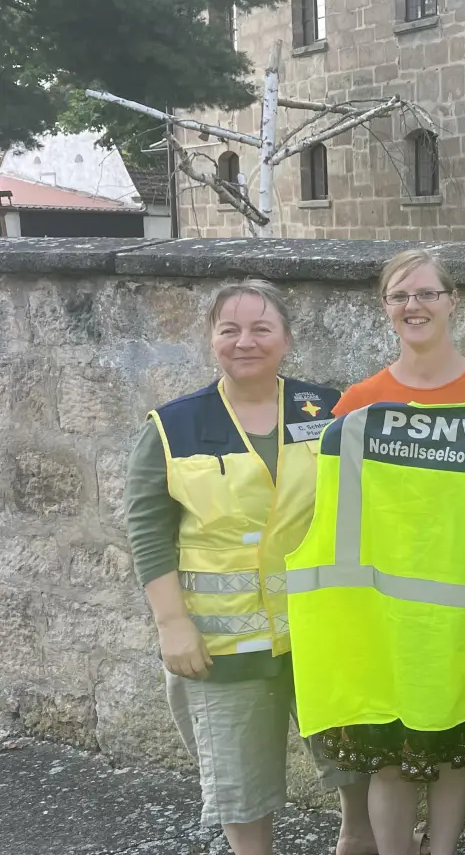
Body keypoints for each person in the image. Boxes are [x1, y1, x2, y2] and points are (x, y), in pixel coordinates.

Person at [294, 250, 465, 855]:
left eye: (427, 294)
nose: (414, 306)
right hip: (380, 617)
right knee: (387, 758)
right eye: (400, 296)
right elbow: (327, 512)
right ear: (385, 308)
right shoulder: (358, 402)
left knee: (456, 748)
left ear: (452, 301)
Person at [125, 279, 375, 855]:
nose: (245, 341)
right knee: (239, 778)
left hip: (322, 627)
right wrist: (172, 625)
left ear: (286, 338)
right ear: (211, 340)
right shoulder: (173, 426)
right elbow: (148, 531)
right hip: (224, 638)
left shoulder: (327, 410)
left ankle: (357, 837)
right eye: (229, 329)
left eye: (261, 328)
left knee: (351, 749)